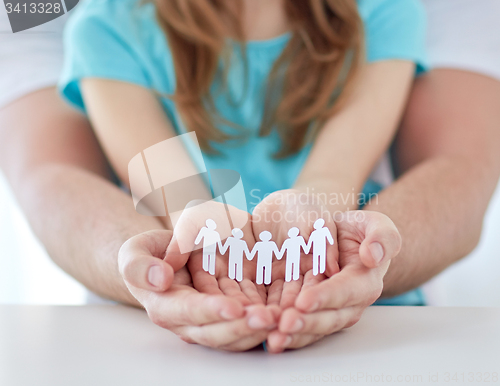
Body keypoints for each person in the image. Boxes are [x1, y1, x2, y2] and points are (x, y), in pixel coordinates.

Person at [0, 0, 499, 353]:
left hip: (369, 327)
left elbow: (329, 182)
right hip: (174, 340)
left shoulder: (386, 13)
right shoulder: (105, 28)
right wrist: (205, 231)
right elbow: (180, 199)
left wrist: (312, 216)